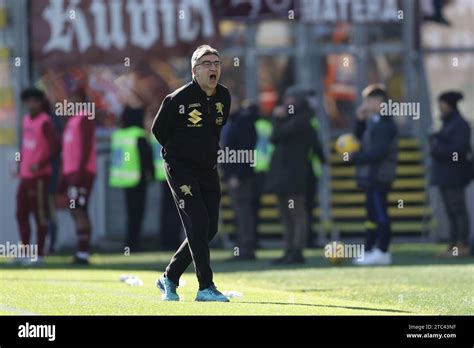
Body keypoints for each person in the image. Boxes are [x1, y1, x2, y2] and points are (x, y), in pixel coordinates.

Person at [152, 45, 231, 302]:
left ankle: (169, 277)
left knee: (209, 228)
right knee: (197, 222)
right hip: (181, 169)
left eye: (216, 63)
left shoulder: (224, 97)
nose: (213, 68)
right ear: (195, 71)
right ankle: (205, 287)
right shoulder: (178, 99)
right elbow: (158, 130)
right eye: (207, 63)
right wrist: (178, 154)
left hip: (207, 169)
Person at [266, 85, 314, 264]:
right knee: (285, 213)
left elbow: (276, 135)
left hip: (293, 174)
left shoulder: (302, 119)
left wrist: (278, 119)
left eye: (290, 98)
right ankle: (289, 249)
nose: (286, 102)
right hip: (283, 174)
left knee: (296, 212)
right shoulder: (294, 117)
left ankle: (297, 250)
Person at [351, 84, 398, 266]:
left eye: (369, 100)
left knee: (380, 214)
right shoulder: (374, 121)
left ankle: (383, 250)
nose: (366, 104)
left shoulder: (386, 123)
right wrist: (360, 121)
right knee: (371, 217)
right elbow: (357, 140)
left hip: (380, 176)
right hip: (371, 176)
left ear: (380, 101)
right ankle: (370, 248)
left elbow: (379, 152)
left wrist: (356, 158)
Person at [15, 88, 61, 265]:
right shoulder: (26, 120)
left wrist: (40, 164)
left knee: (40, 215)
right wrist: (20, 164)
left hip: (40, 176)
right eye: (28, 101)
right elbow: (26, 146)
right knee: (20, 213)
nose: (31, 104)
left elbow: (56, 147)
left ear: (40, 102)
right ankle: (25, 252)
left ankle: (40, 255)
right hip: (25, 176)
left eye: (34, 101)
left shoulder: (45, 122)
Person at [430, 91, 472, 258]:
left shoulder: (459, 124)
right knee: (451, 212)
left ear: (450, 104)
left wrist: (436, 149)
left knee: (458, 210)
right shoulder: (448, 123)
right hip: (445, 175)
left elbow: (459, 150)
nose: (440, 107)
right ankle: (453, 246)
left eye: (442, 103)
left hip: (455, 175)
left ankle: (462, 245)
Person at [58, 88, 97, 265]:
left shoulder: (85, 117)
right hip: (71, 173)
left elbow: (86, 147)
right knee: (76, 209)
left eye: (74, 100)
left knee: (79, 209)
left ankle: (83, 253)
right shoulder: (72, 121)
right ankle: (81, 250)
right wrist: (64, 177)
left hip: (82, 173)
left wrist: (80, 172)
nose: (71, 103)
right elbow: (67, 152)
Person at [109, 105, 155, 252]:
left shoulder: (119, 135)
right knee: (137, 213)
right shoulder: (138, 135)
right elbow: (146, 158)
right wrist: (152, 175)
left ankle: (130, 243)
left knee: (130, 213)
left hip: (124, 180)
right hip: (138, 179)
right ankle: (134, 244)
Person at [221, 98, 257, 261]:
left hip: (240, 177)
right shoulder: (233, 122)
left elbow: (247, 151)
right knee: (239, 213)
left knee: (243, 214)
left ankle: (246, 248)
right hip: (233, 176)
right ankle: (242, 248)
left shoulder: (243, 122)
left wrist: (238, 175)